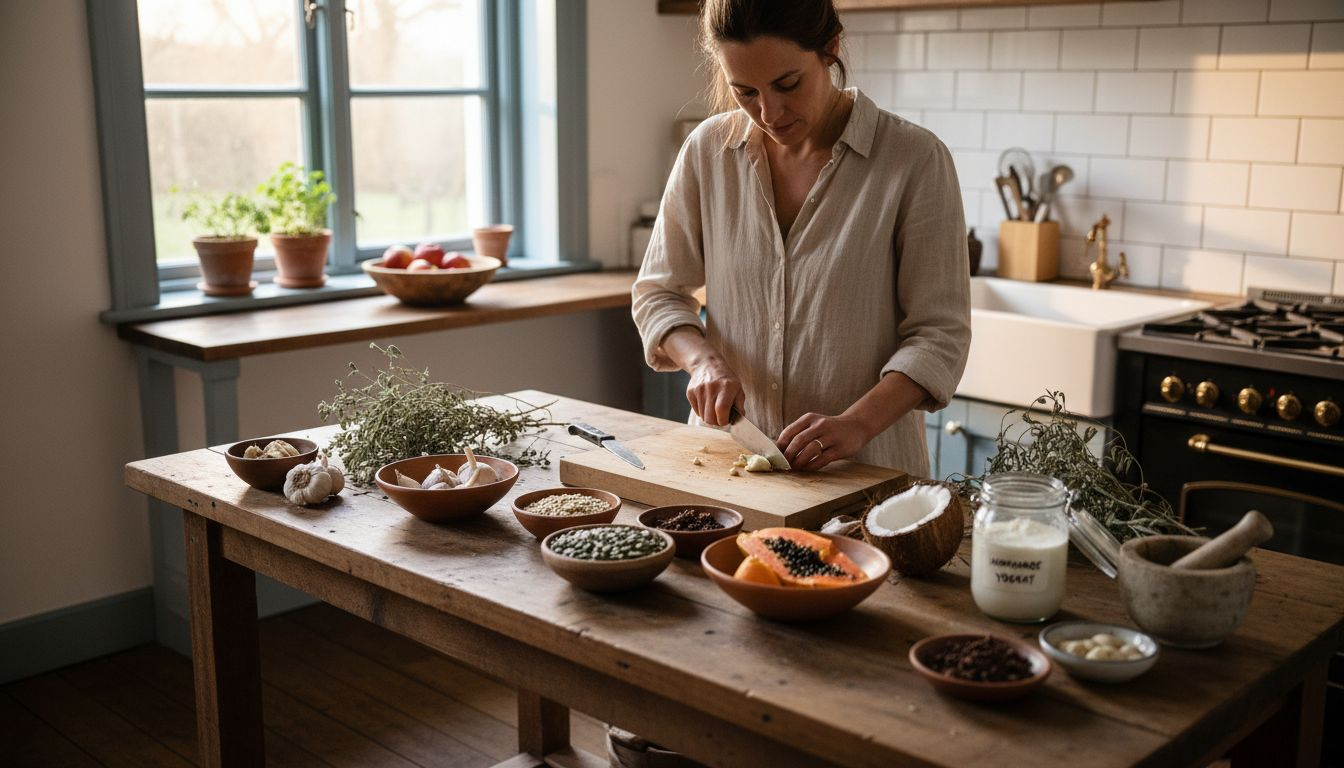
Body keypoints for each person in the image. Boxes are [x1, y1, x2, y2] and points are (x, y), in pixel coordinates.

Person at [631, 0, 971, 479]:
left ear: (830, 50)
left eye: (787, 85)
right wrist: (704, 362)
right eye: (744, 91)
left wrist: (856, 424)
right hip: (730, 467)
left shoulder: (914, 160)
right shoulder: (707, 152)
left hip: (863, 475)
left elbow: (941, 335)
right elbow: (658, 294)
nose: (769, 112)